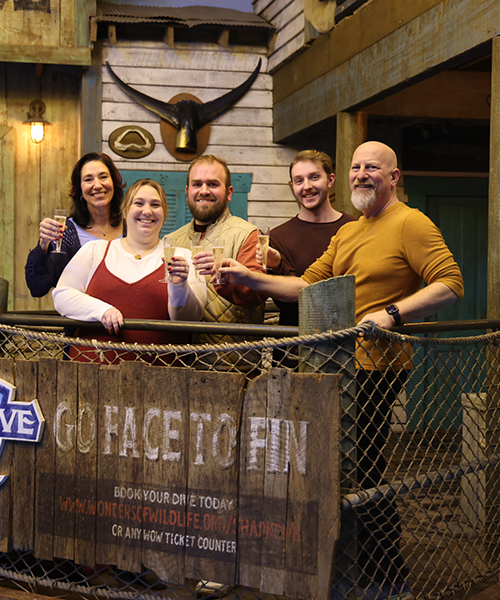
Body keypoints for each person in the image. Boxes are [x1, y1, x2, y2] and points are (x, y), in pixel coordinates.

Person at [219, 141, 464, 597]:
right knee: (341, 469)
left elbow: (451, 284)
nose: (361, 174)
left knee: (364, 469)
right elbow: (306, 286)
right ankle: (348, 570)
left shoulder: (410, 222)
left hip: (377, 367)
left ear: (394, 177)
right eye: (356, 167)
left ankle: (389, 579)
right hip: (335, 365)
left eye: (373, 167)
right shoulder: (351, 231)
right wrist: (248, 277)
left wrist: (392, 314)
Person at [52, 179, 206, 363]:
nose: (147, 211)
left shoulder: (184, 257)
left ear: (164, 214)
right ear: (125, 212)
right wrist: (102, 311)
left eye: (155, 205)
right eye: (139, 203)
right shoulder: (95, 250)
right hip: (88, 374)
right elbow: (62, 296)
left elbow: (189, 320)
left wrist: (179, 286)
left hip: (162, 377)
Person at [164, 155, 266, 350]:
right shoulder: (171, 240)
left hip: (233, 365)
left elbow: (255, 294)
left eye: (212, 184)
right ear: (187, 192)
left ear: (229, 193)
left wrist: (224, 276)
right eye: (197, 184)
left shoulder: (247, 235)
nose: (204, 191)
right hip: (179, 362)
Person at [262, 149, 356, 327]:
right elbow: (285, 302)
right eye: (299, 181)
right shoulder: (278, 236)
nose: (306, 186)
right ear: (292, 186)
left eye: (314, 177)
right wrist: (276, 265)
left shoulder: (354, 228)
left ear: (330, 180)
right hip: (293, 346)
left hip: (348, 342)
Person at [25, 152, 125, 297]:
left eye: (103, 177)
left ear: (114, 183)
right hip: (81, 317)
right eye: (88, 179)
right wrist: (43, 245)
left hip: (125, 316)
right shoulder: (65, 232)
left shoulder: (131, 227)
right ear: (79, 190)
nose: (97, 185)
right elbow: (37, 287)